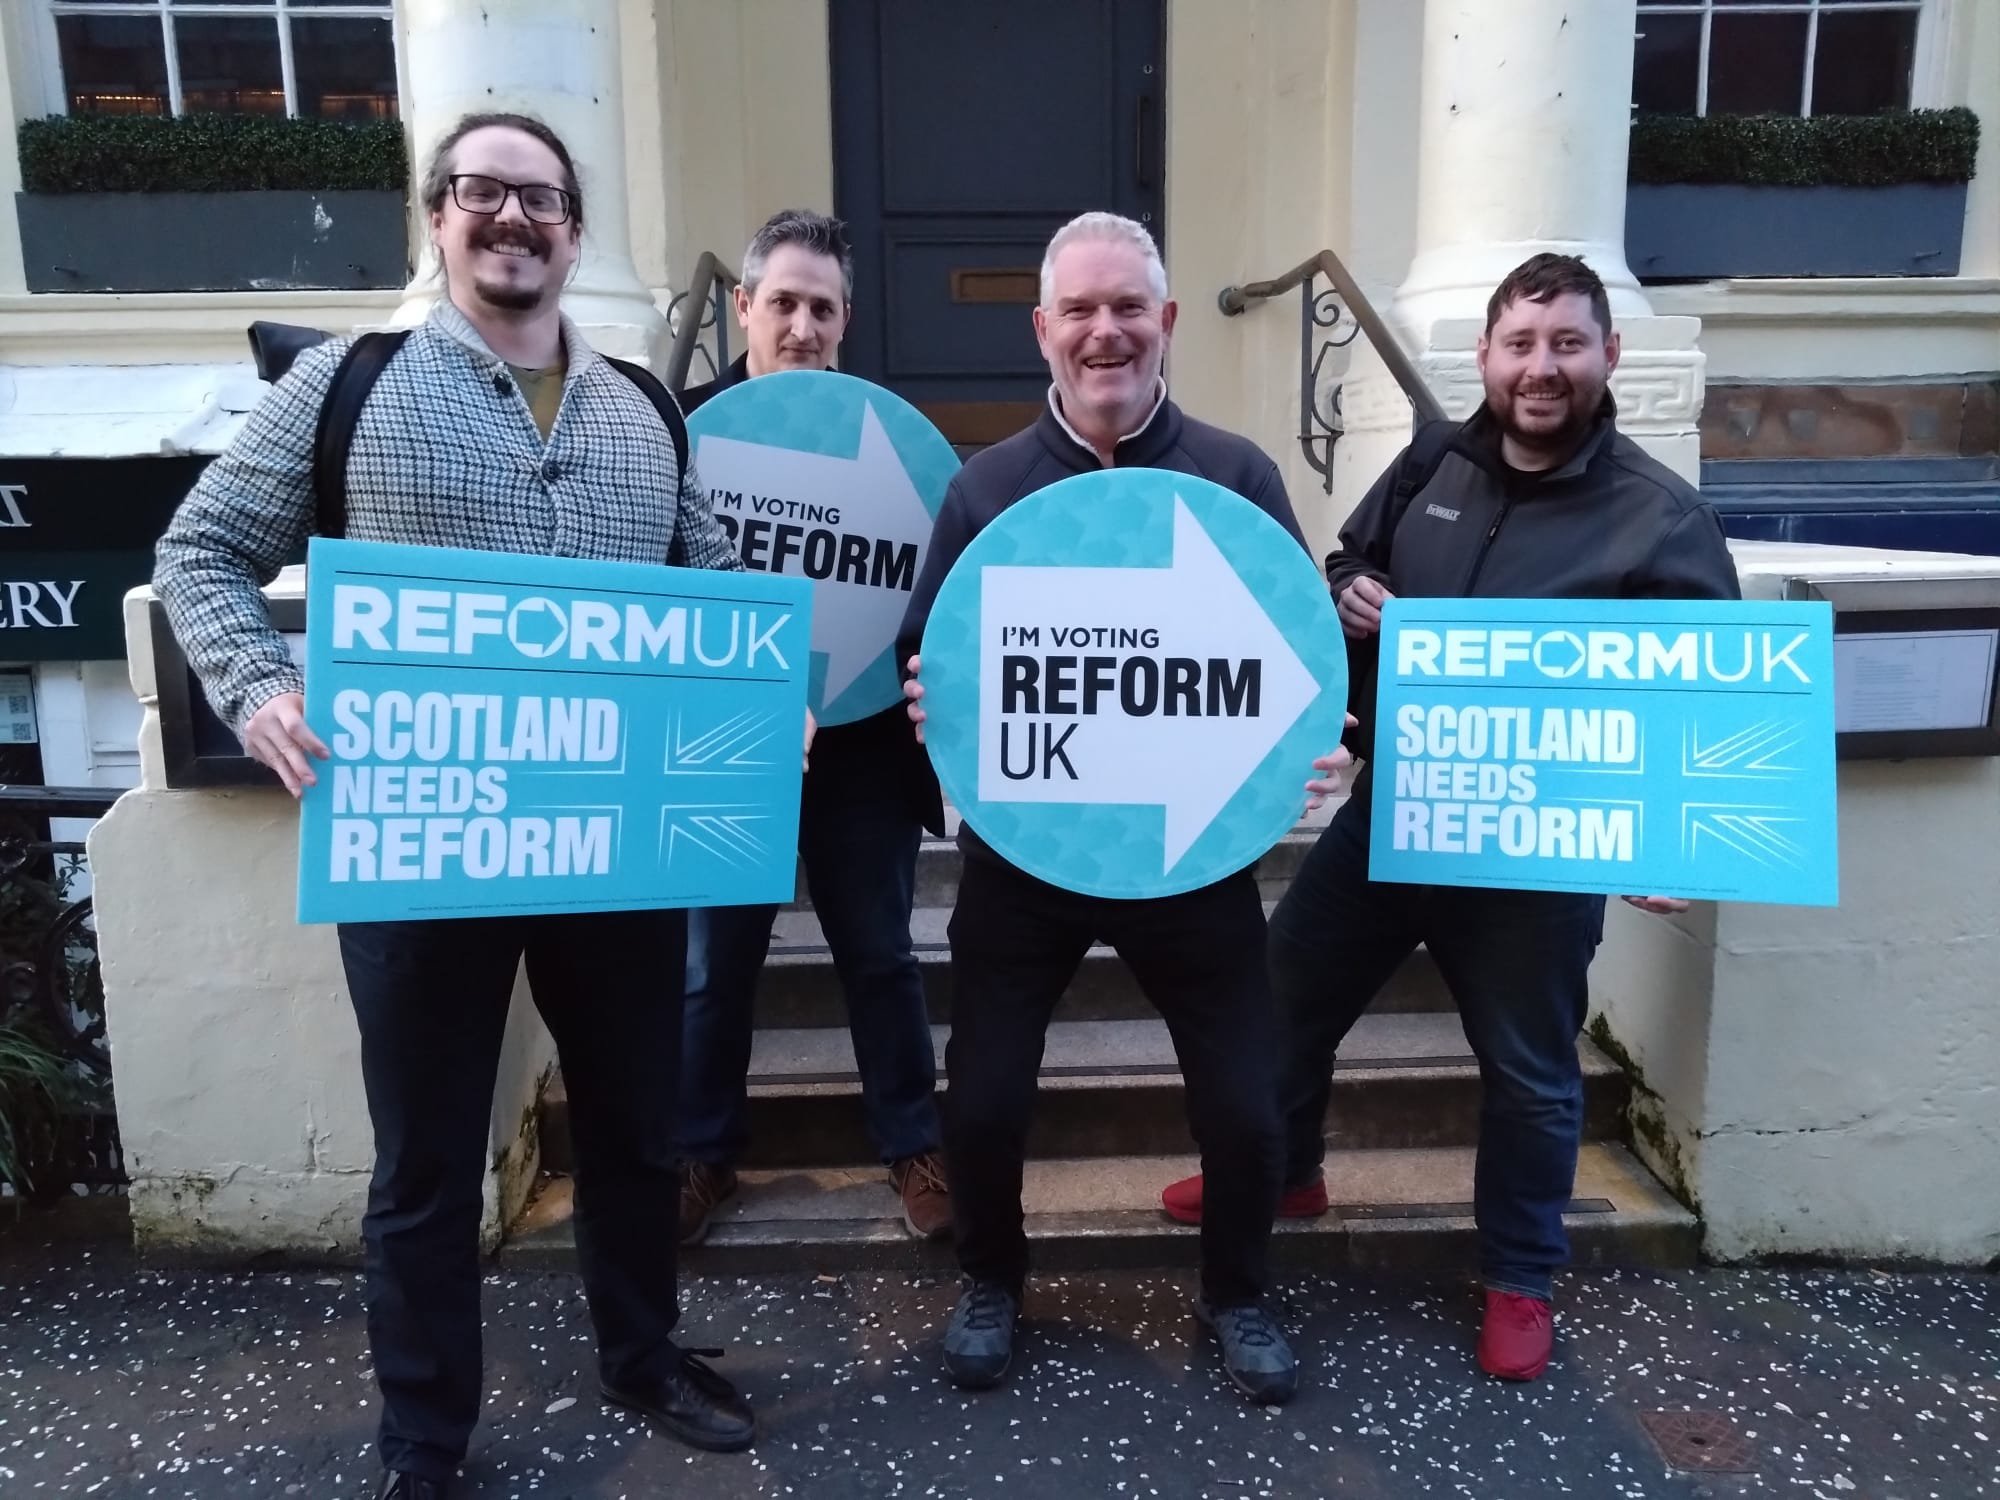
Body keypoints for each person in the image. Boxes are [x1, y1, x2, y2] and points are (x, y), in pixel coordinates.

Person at [154, 113, 790, 1499]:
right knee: (428, 1165)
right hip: (418, 837)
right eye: (484, 193)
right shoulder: (345, 384)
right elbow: (201, 550)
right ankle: (424, 1439)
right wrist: (260, 688)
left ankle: (641, 1352)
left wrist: (764, 691)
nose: (514, 219)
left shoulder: (645, 404)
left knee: (632, 1126)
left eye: (542, 199)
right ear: (436, 216)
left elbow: (716, 573)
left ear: (573, 226)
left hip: (610, 846)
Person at [1160, 252, 1742, 1384]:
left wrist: (1670, 836)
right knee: (1279, 1005)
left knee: (1527, 1068)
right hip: (1398, 806)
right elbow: (1349, 558)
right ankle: (1284, 1173)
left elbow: (1700, 700)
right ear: (1482, 356)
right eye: (1518, 345)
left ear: (1606, 357)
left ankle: (1520, 1276)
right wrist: (1348, 589)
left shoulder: (1658, 518)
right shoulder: (1433, 457)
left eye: (1565, 344)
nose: (1539, 368)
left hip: (1537, 848)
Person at [898, 211, 1349, 1407]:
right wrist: (923, 709)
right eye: (1081, 311)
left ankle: (1238, 1292)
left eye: (1128, 307)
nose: (1106, 332)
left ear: (1165, 322)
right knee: (985, 1100)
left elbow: (1291, 664)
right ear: (1042, 330)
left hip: (1189, 851)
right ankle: (991, 1278)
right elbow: (925, 663)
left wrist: (1305, 752)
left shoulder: (1238, 476)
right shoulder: (985, 488)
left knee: (1247, 1109)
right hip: (1028, 855)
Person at [673, 209, 951, 1243]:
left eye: (820, 308)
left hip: (863, 743)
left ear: (846, 321)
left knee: (880, 953)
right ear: (742, 306)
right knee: (711, 965)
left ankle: (913, 1149)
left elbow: (935, 600)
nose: (800, 326)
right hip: (724, 740)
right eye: (781, 302)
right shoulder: (677, 435)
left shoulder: (896, 447)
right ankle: (698, 1157)